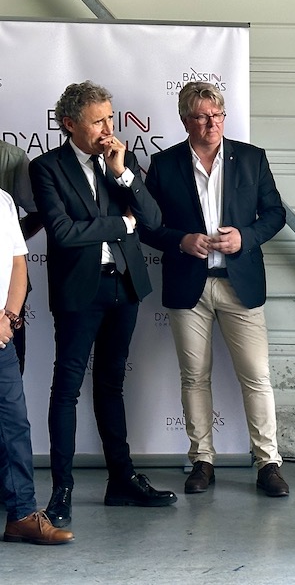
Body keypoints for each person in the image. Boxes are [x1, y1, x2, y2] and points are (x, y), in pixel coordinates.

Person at [29, 80, 176, 529]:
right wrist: (120, 223)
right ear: (70, 124)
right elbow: (63, 232)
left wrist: (124, 175)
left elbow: (152, 221)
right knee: (66, 388)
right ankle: (62, 491)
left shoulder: (121, 160)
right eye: (99, 121)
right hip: (79, 292)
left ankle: (121, 480)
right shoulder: (47, 168)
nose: (109, 128)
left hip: (124, 286)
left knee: (112, 385)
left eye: (110, 117)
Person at [142, 82, 289, 498]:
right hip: (189, 286)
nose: (212, 124)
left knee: (257, 376)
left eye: (218, 115)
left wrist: (246, 236)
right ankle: (202, 460)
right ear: (185, 120)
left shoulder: (251, 158)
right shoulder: (165, 164)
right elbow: (149, 226)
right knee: (193, 378)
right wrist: (180, 240)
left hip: (239, 283)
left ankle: (269, 464)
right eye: (203, 117)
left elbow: (275, 213)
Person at [0, 187, 73, 545]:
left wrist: (9, 318)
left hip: (0, 337)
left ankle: (22, 516)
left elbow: (17, 263)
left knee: (13, 425)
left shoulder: (3, 200)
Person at [0, 140, 43, 372]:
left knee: (11, 376)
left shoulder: (11, 157)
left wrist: (11, 245)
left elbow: (38, 212)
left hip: (8, 292)